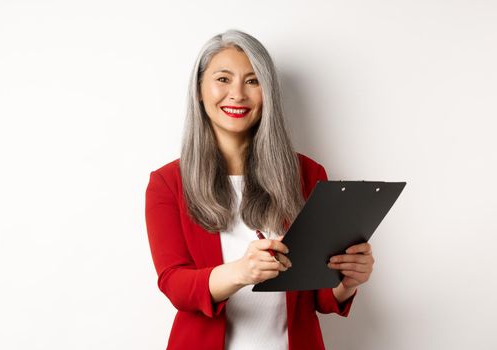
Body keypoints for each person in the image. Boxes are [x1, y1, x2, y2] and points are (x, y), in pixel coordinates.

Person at [145, 29, 375, 350]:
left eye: (252, 81)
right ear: (199, 89)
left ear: (267, 93)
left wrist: (347, 280)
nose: (237, 94)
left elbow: (320, 296)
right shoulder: (168, 182)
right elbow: (175, 285)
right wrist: (242, 272)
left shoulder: (308, 174)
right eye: (223, 79)